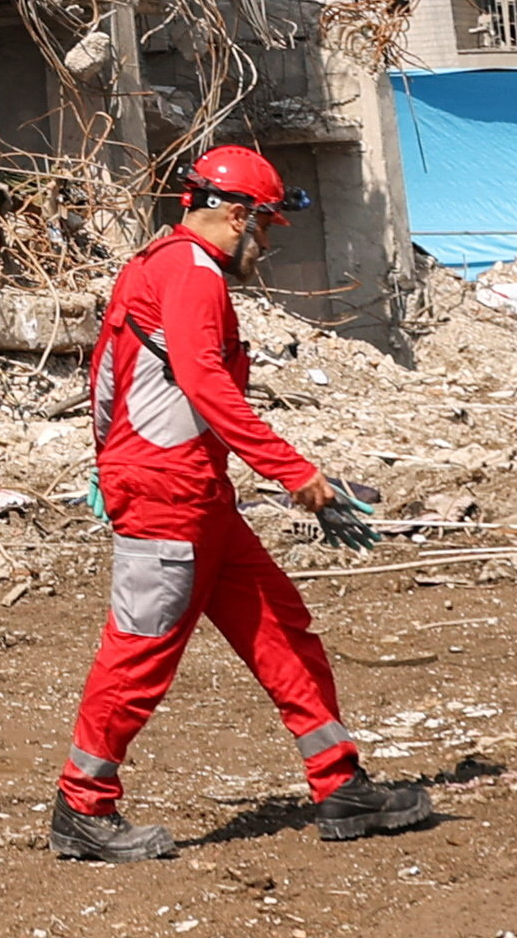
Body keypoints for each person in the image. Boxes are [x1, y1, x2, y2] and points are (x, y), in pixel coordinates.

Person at [50, 143, 431, 863]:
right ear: (234, 213)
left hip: (193, 493)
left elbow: (106, 374)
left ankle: (339, 780)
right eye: (264, 227)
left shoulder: (153, 263)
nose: (264, 244)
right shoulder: (193, 273)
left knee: (282, 628)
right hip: (169, 495)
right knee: (140, 653)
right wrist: (300, 476)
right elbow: (204, 383)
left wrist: (111, 460)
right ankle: (81, 805)